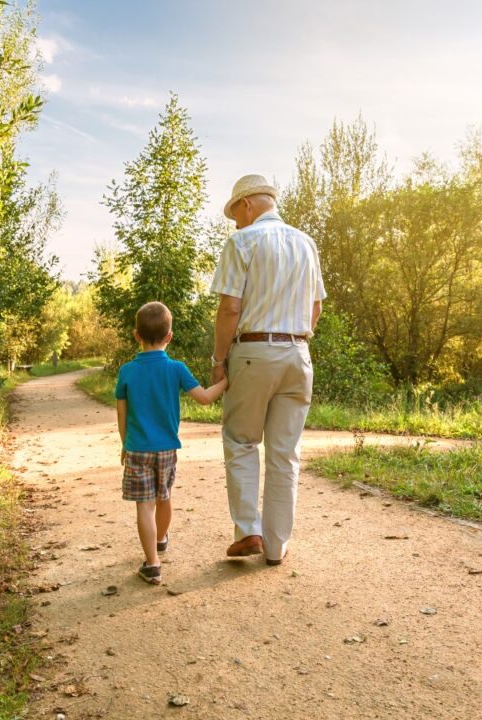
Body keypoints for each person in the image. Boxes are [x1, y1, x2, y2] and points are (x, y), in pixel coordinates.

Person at [209, 174, 326, 566]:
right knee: (284, 453)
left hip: (253, 352)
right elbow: (316, 308)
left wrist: (218, 360)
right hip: (299, 353)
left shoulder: (242, 241)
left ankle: (248, 532)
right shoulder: (306, 243)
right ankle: (276, 546)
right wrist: (297, 339)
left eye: (235, 214)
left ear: (246, 205)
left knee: (242, 441)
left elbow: (229, 308)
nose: (235, 223)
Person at [115, 301, 227, 584]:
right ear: (169, 336)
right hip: (167, 448)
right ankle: (161, 538)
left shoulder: (127, 371)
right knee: (163, 497)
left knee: (145, 505)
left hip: (138, 448)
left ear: (136, 335)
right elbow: (203, 398)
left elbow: (122, 413)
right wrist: (227, 381)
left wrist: (125, 443)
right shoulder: (176, 368)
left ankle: (152, 564)